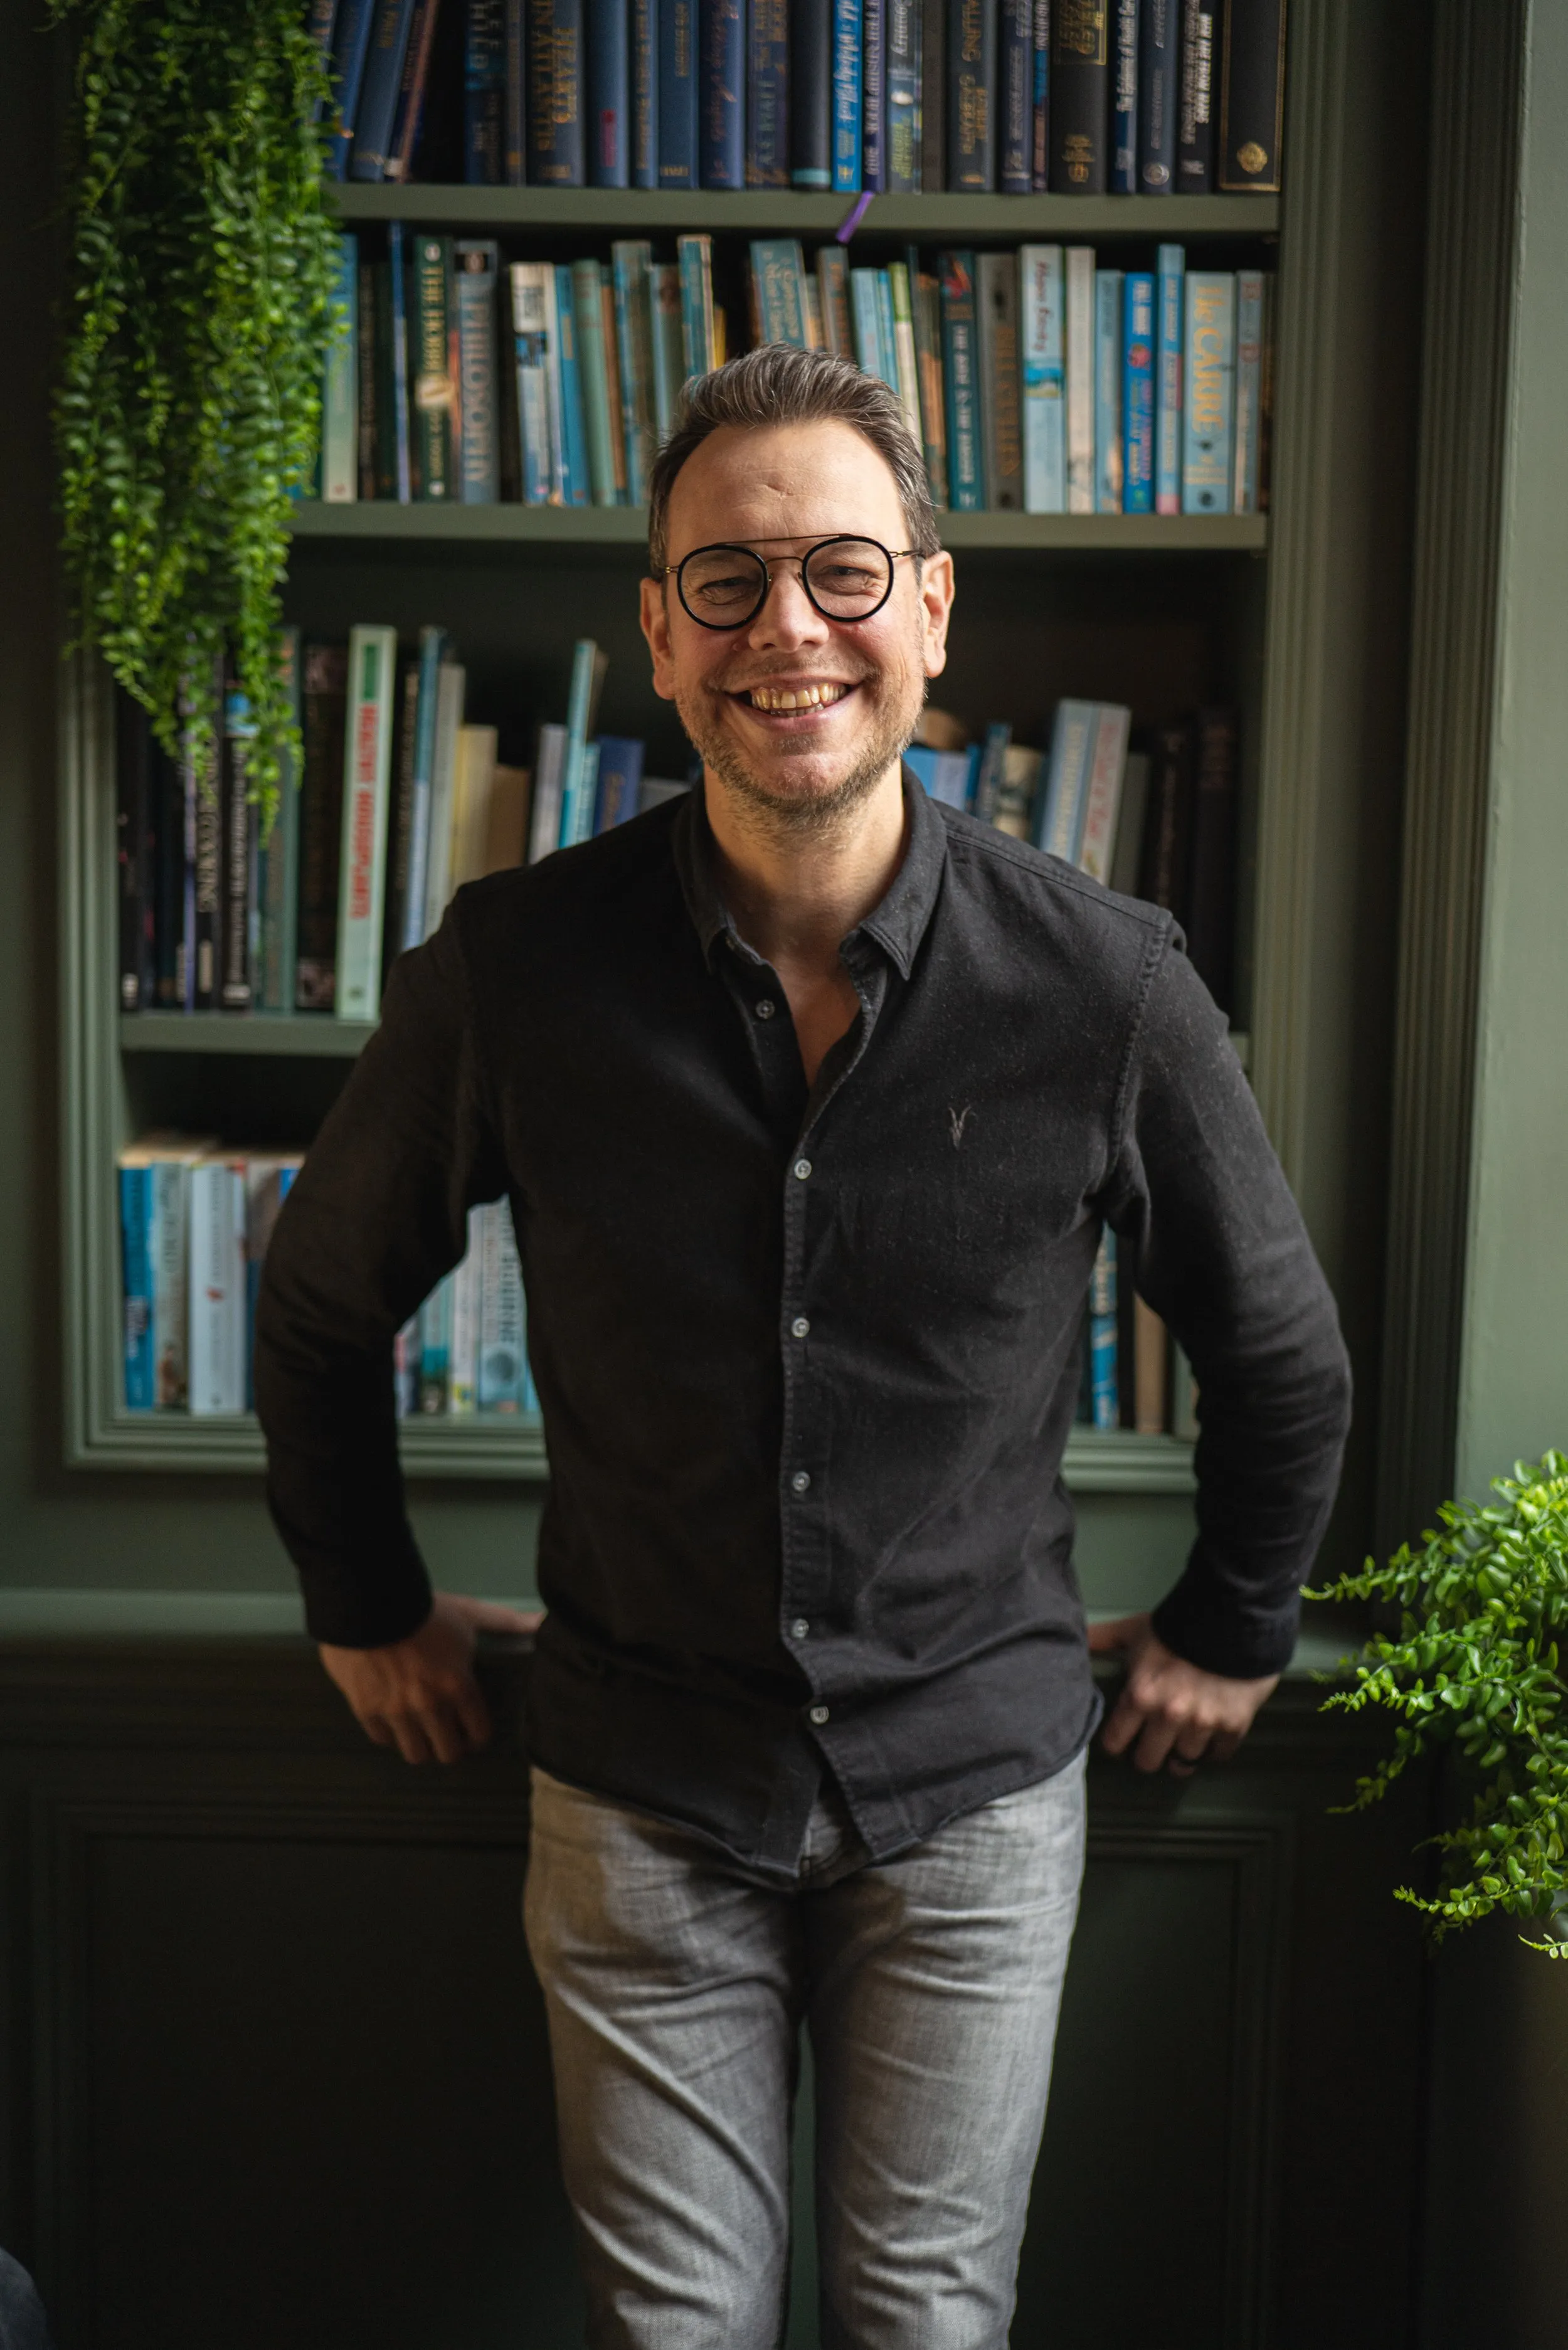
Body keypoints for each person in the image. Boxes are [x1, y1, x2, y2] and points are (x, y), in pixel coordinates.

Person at [256, 346, 1350, 2349]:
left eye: (846, 571)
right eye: (731, 583)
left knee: (926, 2328)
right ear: (659, 638)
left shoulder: (1107, 989)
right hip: (637, 1788)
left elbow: (1280, 1356)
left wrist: (1235, 1625)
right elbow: (320, 1307)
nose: (793, 631)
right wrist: (364, 1600)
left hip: (977, 1794)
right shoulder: (510, 973)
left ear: (931, 608)